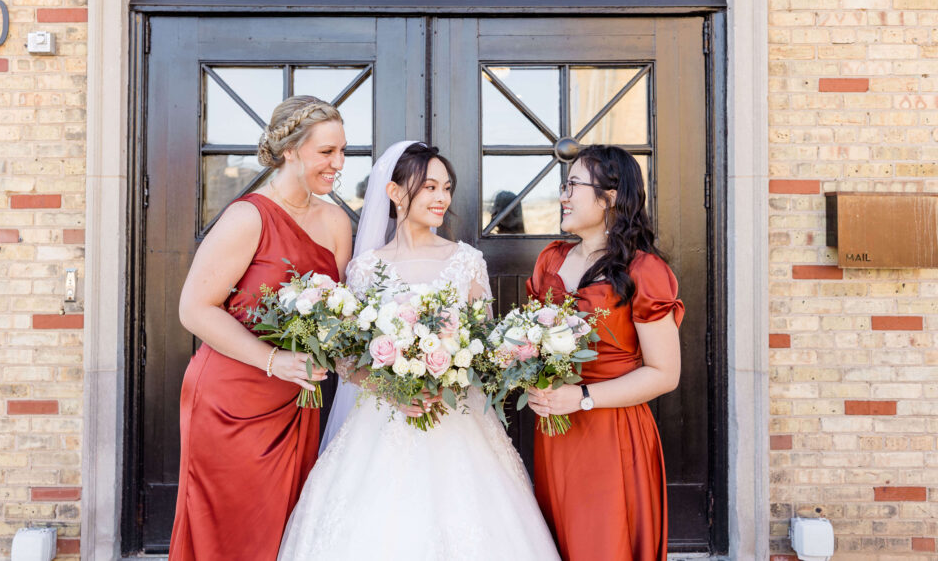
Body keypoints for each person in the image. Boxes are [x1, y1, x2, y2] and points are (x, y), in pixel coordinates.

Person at [278, 141, 559, 561]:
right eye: (429, 187)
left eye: (446, 187)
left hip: (457, 417)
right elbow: (345, 357)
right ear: (394, 193)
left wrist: (452, 370)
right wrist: (391, 388)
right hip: (381, 419)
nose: (441, 197)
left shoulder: (467, 261)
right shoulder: (366, 267)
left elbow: (483, 346)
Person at [168, 96, 352, 561]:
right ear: (290, 150)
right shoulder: (248, 216)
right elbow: (194, 309)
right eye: (326, 152)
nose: (339, 164)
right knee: (232, 532)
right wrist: (274, 359)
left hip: (297, 399)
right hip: (231, 399)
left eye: (343, 152)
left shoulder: (335, 222)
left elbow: (342, 315)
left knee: (288, 530)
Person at [526, 144, 684, 561]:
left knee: (602, 542)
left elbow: (664, 373)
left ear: (610, 196)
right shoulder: (550, 261)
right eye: (565, 184)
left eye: (573, 184)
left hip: (612, 433)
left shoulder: (643, 271)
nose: (563, 195)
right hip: (555, 432)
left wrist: (582, 398)